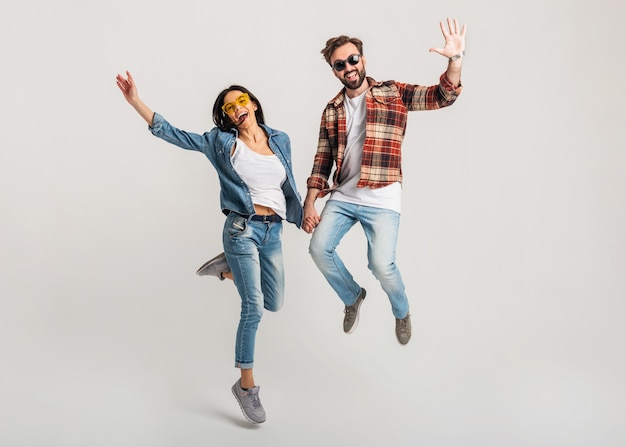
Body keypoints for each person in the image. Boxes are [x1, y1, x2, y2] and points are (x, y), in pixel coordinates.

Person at [116, 71, 303, 424]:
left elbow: (289, 185)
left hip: (273, 232)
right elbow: (176, 136)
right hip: (241, 230)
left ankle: (228, 269)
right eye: (229, 107)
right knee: (255, 308)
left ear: (254, 103)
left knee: (274, 301)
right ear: (227, 117)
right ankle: (246, 386)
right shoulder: (221, 142)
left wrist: (306, 212)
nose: (237, 108)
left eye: (241, 101)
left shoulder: (281, 140)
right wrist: (137, 102)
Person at [302, 18, 466, 345]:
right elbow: (322, 158)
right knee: (318, 248)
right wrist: (310, 201)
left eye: (352, 59)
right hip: (344, 197)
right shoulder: (332, 109)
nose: (348, 67)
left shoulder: (393, 93)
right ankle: (352, 297)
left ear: (362, 60)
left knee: (380, 264)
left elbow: (442, 96)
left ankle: (402, 310)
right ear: (334, 71)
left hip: (383, 198)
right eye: (339, 64)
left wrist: (455, 61)